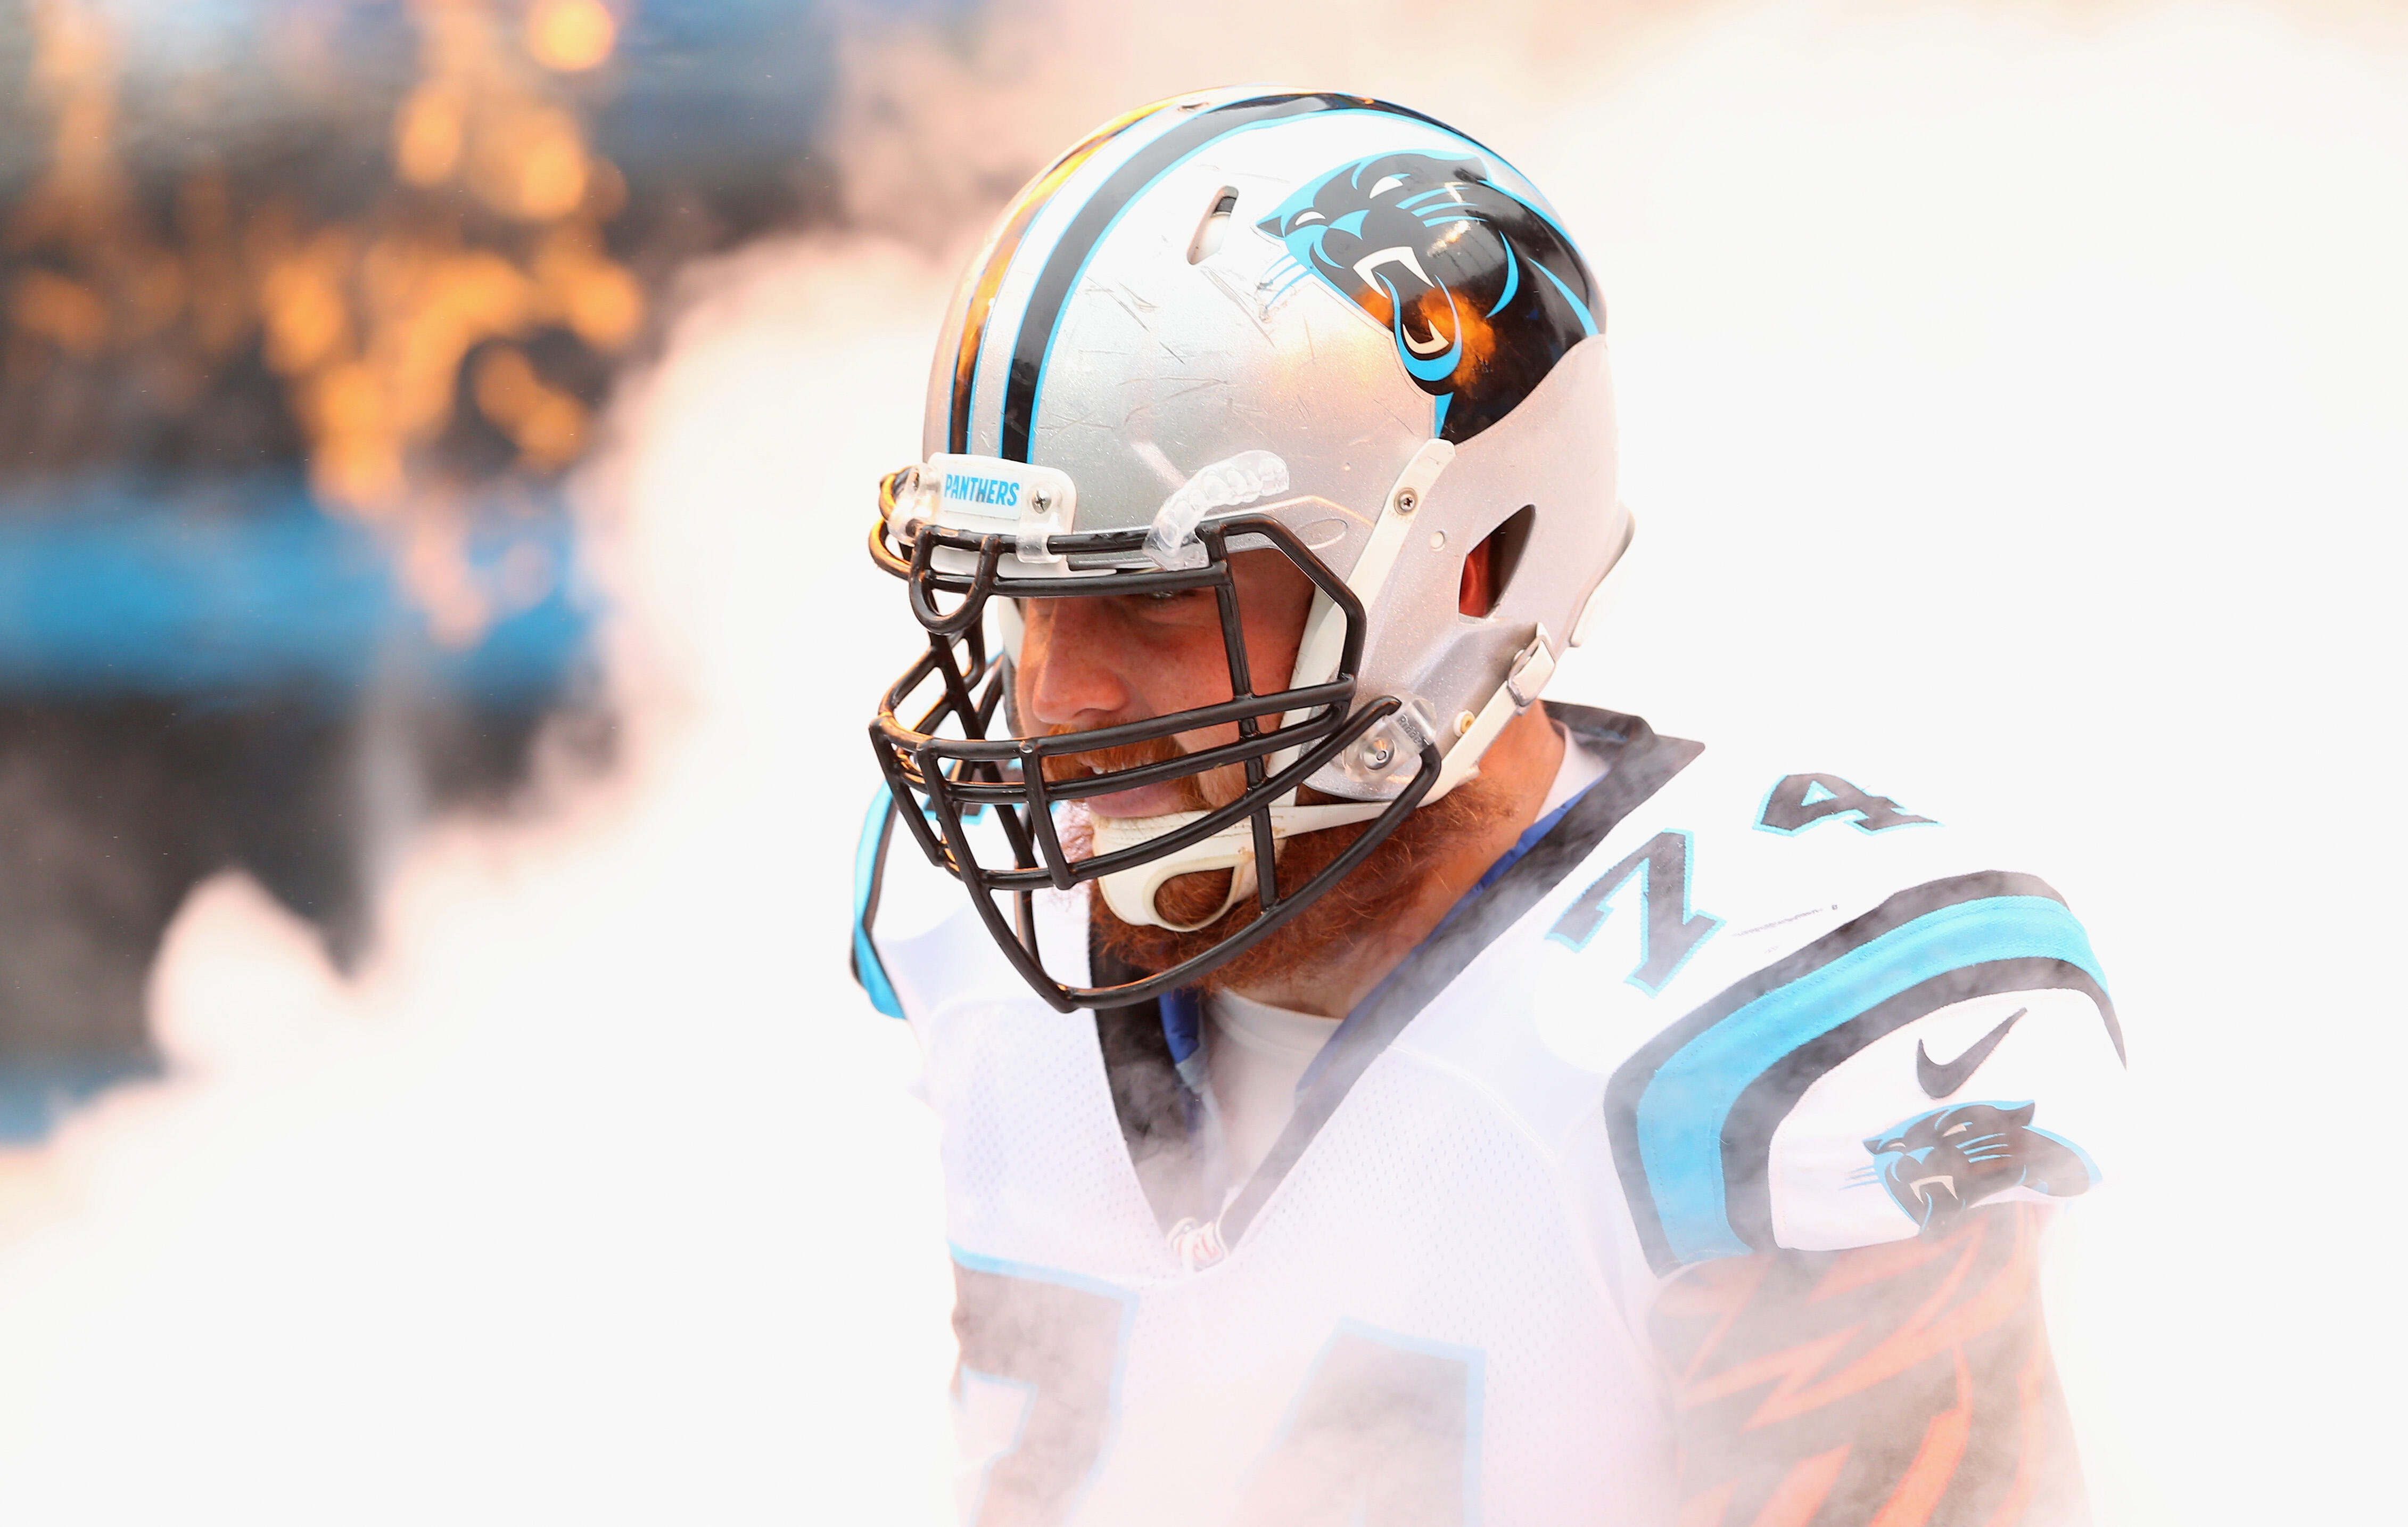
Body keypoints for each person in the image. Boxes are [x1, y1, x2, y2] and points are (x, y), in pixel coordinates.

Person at [852, 86, 2122, 1527]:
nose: (1050, 699)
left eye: (1145, 595)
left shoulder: (1750, 1042)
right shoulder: (952, 925)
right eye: (1014, 599)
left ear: (1469, 569)